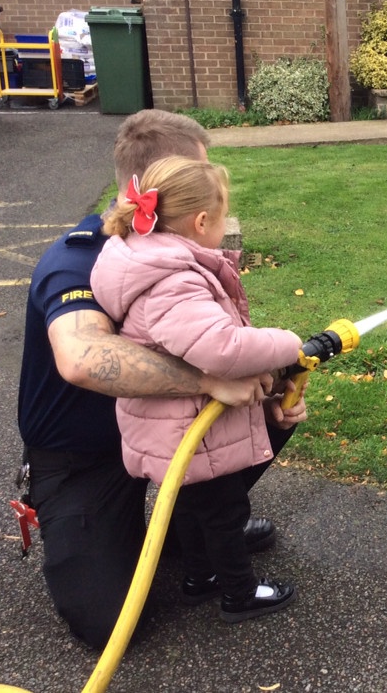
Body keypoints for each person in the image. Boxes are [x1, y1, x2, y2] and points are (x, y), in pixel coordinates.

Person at [16, 109, 306, 648]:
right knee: (110, 622)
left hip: (161, 426)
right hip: (84, 456)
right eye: (198, 173)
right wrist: (207, 383)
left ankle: (194, 534)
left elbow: (214, 341)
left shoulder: (173, 255)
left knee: (275, 402)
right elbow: (81, 358)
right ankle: (190, 535)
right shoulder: (81, 260)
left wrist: (267, 390)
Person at [91, 155, 301, 622]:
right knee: (225, 511)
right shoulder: (175, 282)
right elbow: (221, 348)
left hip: (172, 425)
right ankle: (239, 594)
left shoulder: (144, 256)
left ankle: (199, 575)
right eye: (224, 216)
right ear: (202, 221)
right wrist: (287, 343)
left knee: (193, 506)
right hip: (189, 428)